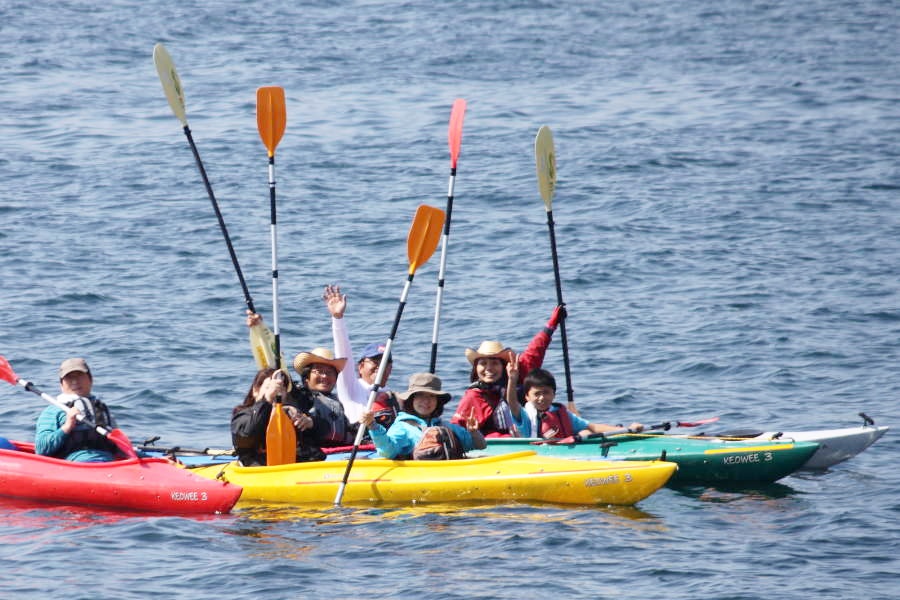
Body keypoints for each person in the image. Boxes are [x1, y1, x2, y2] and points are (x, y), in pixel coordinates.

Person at [450, 305, 565, 438]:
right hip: (497, 448)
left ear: (504, 366)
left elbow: (535, 350)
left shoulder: (517, 372)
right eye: (483, 363)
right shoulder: (473, 397)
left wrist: (551, 325)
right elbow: (457, 428)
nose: (489, 368)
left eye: (494, 363)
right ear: (475, 369)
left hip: (531, 435)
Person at [360, 373, 485, 459]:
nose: (426, 401)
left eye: (431, 396)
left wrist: (473, 432)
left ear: (438, 401)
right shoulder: (402, 427)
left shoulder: (446, 426)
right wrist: (373, 426)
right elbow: (387, 452)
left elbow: (480, 446)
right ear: (411, 400)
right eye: (420, 395)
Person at [323, 284, 398, 426]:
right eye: (375, 361)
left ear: (391, 369)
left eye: (385, 362)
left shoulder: (394, 398)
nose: (380, 366)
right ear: (361, 367)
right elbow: (343, 353)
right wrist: (338, 318)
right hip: (359, 444)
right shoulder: (351, 387)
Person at [34, 358, 122, 462]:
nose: (75, 381)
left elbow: (119, 445)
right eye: (69, 378)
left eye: (79, 376)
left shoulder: (101, 408)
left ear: (91, 380)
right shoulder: (53, 411)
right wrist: (67, 427)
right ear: (61, 385)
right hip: (75, 464)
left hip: (108, 463)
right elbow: (41, 449)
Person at [518, 368, 643, 439]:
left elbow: (592, 427)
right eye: (537, 394)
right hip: (539, 454)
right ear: (527, 397)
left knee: (586, 432)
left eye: (546, 393)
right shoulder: (524, 416)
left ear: (554, 394)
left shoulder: (560, 412)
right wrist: (513, 380)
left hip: (567, 452)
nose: (541, 398)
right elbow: (512, 403)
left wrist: (626, 430)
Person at [231, 367, 320, 466]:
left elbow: (319, 446)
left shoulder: (291, 415)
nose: (275, 392)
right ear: (255, 390)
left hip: (289, 470)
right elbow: (247, 435)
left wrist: (311, 424)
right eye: (269, 388)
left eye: (281, 389)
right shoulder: (242, 415)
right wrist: (267, 399)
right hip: (257, 471)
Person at [292, 347, 358, 448]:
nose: (324, 376)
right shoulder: (300, 396)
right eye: (318, 371)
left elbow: (346, 430)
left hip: (340, 453)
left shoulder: (337, 401)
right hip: (312, 454)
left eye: (329, 372)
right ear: (306, 377)